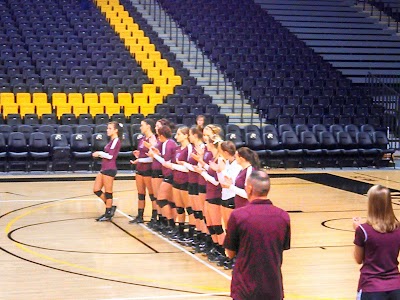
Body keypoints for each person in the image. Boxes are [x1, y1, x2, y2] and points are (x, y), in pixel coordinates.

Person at [224, 170, 291, 300]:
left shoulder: (238, 216)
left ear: (249, 188)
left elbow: (230, 252)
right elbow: (281, 247)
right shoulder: (283, 216)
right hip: (273, 288)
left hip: (245, 288)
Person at [353, 185, 400, 300]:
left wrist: (357, 231)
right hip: (396, 287)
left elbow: (358, 259)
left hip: (371, 287)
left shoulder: (363, 230)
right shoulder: (398, 228)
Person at [92, 121, 122, 222]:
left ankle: (108, 212)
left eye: (110, 128)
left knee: (108, 191)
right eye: (107, 128)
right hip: (104, 168)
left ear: (115, 130)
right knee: (96, 189)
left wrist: (99, 153)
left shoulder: (116, 140)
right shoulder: (111, 140)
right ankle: (110, 207)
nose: (107, 130)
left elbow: (111, 156)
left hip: (110, 168)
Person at [130, 119, 157, 224]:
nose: (140, 127)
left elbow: (152, 157)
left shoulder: (152, 139)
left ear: (148, 126)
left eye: (142, 125)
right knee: (140, 194)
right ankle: (140, 216)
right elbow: (143, 153)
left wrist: (140, 159)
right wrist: (138, 155)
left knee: (152, 195)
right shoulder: (142, 139)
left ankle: (154, 217)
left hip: (148, 170)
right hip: (139, 169)